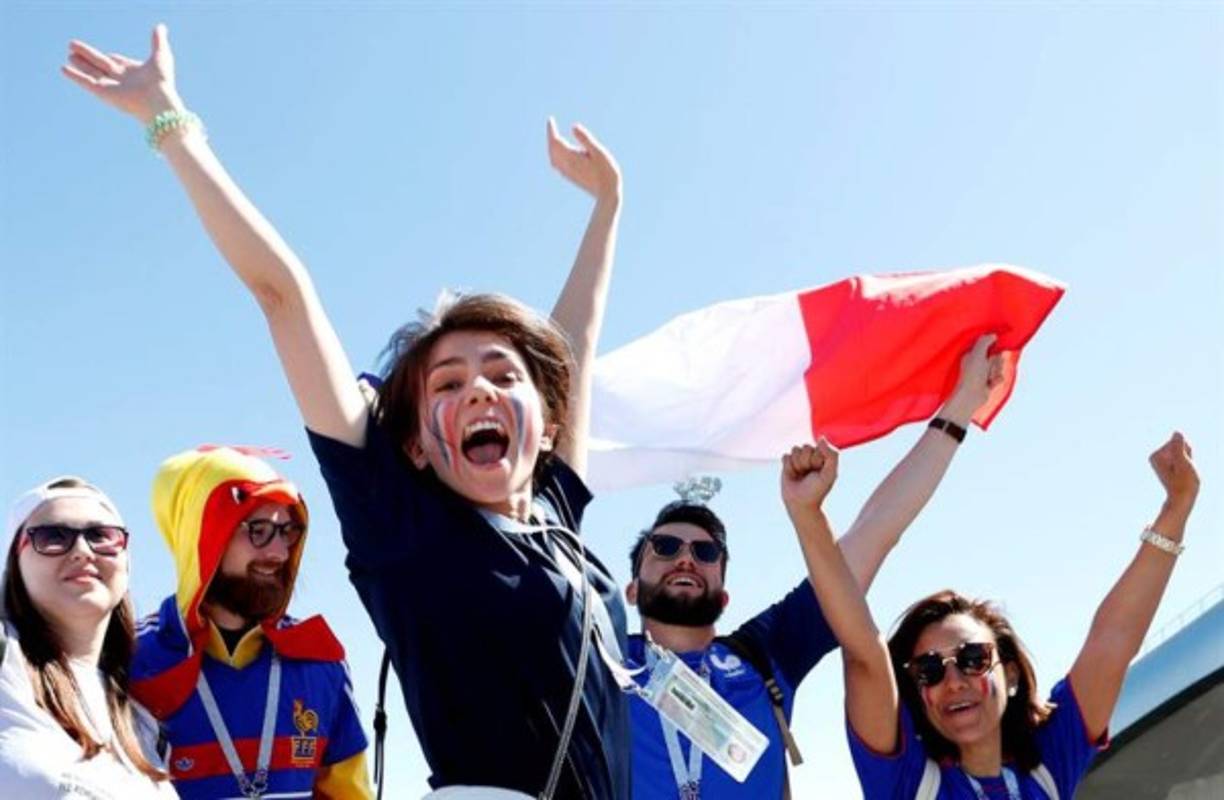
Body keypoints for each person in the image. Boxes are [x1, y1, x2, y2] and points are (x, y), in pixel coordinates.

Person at [64, 24, 627, 798]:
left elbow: (575, 346)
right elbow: (282, 294)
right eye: (447, 384)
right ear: (420, 447)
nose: (480, 393)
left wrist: (607, 208)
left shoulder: (558, 518)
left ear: (550, 423)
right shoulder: (407, 529)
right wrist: (171, 123)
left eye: (503, 374)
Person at [625, 336, 1004, 799]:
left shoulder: (765, 653)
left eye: (706, 554)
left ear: (725, 595)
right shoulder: (593, 659)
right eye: (664, 546)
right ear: (629, 589)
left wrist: (962, 405)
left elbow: (874, 533)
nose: (685, 557)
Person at [782, 431, 1199, 799]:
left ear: (1011, 673)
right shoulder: (906, 783)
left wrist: (1176, 508)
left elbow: (1113, 639)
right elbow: (863, 654)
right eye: (929, 670)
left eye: (972, 659)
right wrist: (809, 516)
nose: (953, 681)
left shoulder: (1049, 765)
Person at [129, 446, 371, 799]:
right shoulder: (130, 660)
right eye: (258, 529)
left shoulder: (320, 660)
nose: (279, 553)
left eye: (288, 531)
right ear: (202, 533)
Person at [0, 477, 177, 799]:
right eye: (53, 536)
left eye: (101, 536)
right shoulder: (6, 663)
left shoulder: (143, 723)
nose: (82, 551)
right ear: (16, 562)